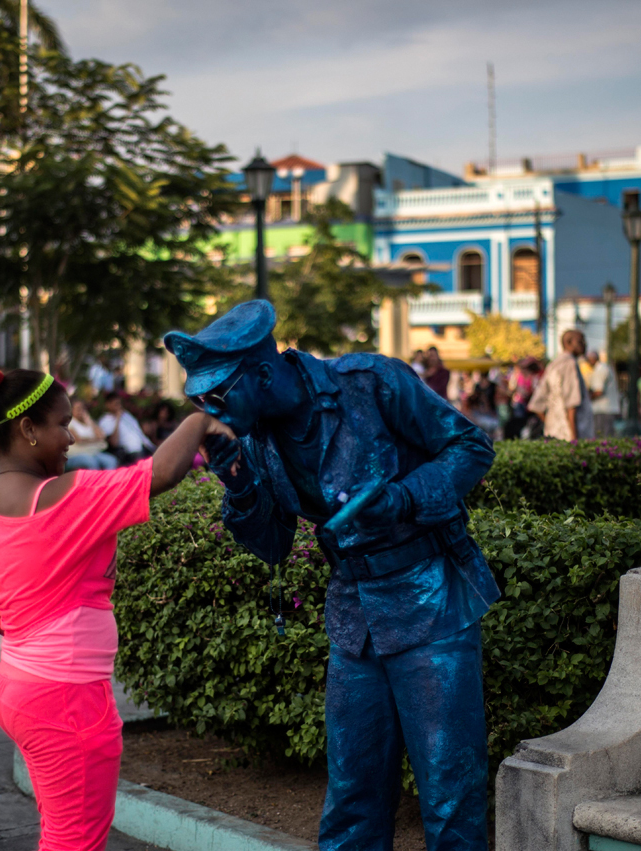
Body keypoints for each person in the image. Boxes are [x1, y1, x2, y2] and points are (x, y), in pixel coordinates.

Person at [165, 301, 499, 851]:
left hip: (429, 603)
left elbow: (470, 446)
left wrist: (403, 498)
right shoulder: (253, 438)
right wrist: (240, 486)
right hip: (354, 618)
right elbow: (273, 545)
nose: (206, 410)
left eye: (216, 396)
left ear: (264, 375)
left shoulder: (370, 382)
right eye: (196, 400)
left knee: (449, 796)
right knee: (352, 798)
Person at [0, 362, 234, 851]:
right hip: (67, 704)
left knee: (60, 831)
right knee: (75, 841)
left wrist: (38, 637)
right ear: (27, 429)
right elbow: (161, 473)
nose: (70, 438)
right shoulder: (70, 498)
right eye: (62, 424)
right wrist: (200, 421)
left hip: (19, 690)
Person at [530, 330, 594, 442]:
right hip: (569, 437)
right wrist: (574, 437)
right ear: (568, 343)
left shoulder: (553, 365)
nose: (585, 344)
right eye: (580, 341)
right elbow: (571, 404)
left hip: (554, 434)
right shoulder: (569, 364)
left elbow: (536, 404)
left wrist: (552, 423)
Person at [98, 393, 154, 466]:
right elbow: (114, 442)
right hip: (129, 452)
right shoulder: (105, 420)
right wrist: (117, 419)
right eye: (116, 404)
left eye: (120, 404)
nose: (119, 407)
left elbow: (138, 432)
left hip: (145, 447)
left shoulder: (126, 416)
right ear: (108, 405)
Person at [65, 400, 119, 471]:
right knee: (91, 462)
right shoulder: (70, 423)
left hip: (93, 453)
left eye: (83, 408)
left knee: (111, 461)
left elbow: (102, 436)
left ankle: (108, 481)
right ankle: (95, 481)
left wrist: (89, 420)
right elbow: (79, 440)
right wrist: (95, 439)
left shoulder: (88, 422)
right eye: (78, 408)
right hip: (76, 454)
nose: (81, 411)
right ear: (71, 410)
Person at [586, 351, 619, 437]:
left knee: (602, 437)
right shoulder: (603, 368)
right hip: (605, 409)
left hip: (602, 409)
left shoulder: (600, 370)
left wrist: (586, 399)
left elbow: (598, 391)